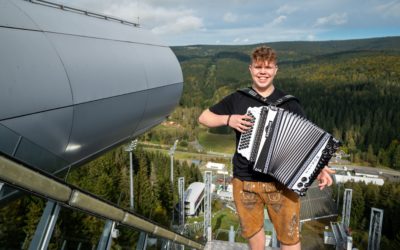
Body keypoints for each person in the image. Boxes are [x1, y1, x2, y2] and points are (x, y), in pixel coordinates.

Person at [198, 45, 335, 250]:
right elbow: (204, 117)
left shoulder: (290, 104)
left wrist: (321, 167)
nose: (263, 72)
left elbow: (305, 142)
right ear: (250, 69)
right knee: (254, 236)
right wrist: (229, 119)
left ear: (276, 70)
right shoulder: (238, 98)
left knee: (289, 239)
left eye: (268, 67)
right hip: (245, 181)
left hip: (280, 183)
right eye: (258, 67)